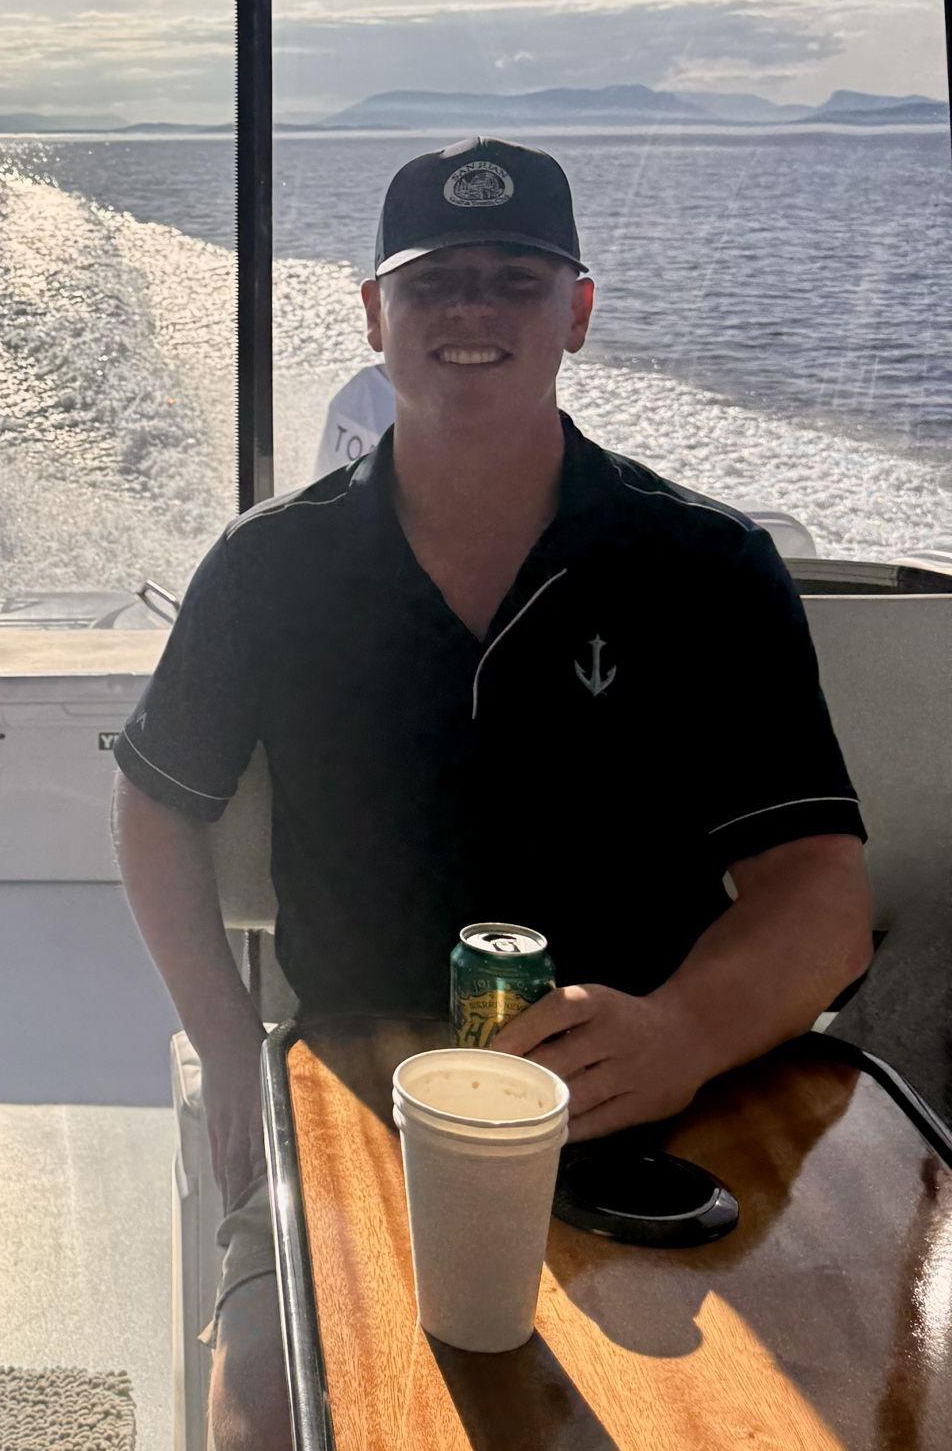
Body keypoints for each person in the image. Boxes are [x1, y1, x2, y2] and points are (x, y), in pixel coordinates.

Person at [111, 138, 873, 1451]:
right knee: (267, 1412)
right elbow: (154, 806)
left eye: (513, 281)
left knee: (797, 1407)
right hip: (357, 1090)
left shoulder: (701, 565)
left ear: (577, 313)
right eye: (434, 282)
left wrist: (684, 1029)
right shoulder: (269, 566)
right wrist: (234, 1055)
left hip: (663, 1101)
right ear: (374, 317)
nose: (471, 311)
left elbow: (821, 895)